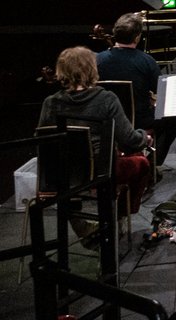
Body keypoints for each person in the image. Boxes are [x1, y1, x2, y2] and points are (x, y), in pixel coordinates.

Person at [39, 46, 153, 234]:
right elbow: (128, 139)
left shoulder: (50, 103)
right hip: (100, 172)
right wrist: (144, 136)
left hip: (63, 174)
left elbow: (44, 141)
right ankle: (118, 220)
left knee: (70, 181)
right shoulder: (105, 98)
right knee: (141, 163)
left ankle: (82, 228)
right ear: (92, 69)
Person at [96, 12, 176, 168]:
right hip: (138, 120)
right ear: (137, 37)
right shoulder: (146, 61)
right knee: (173, 120)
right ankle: (152, 164)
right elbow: (160, 91)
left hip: (105, 119)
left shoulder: (97, 59)